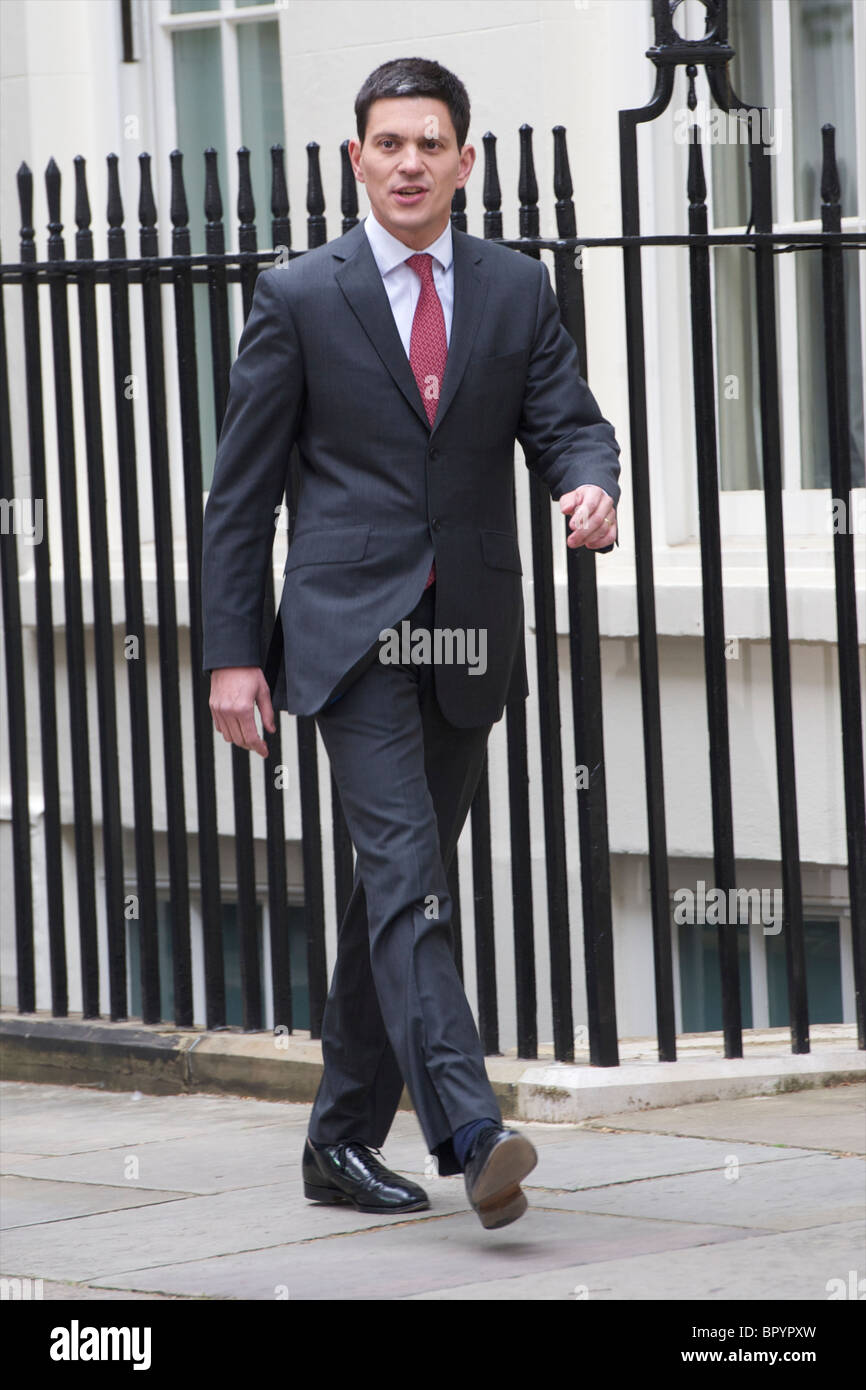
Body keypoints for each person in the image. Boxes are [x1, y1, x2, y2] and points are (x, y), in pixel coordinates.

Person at [201, 57, 621, 1231]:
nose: (408, 162)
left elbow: (567, 424)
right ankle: (470, 1129)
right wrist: (234, 654)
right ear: (355, 158)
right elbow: (237, 496)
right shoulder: (296, 297)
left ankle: (337, 1139)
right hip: (347, 637)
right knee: (406, 875)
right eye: (387, 142)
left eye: (430, 143)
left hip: (468, 631)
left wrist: (589, 490)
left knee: (391, 890)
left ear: (464, 161)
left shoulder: (512, 288)